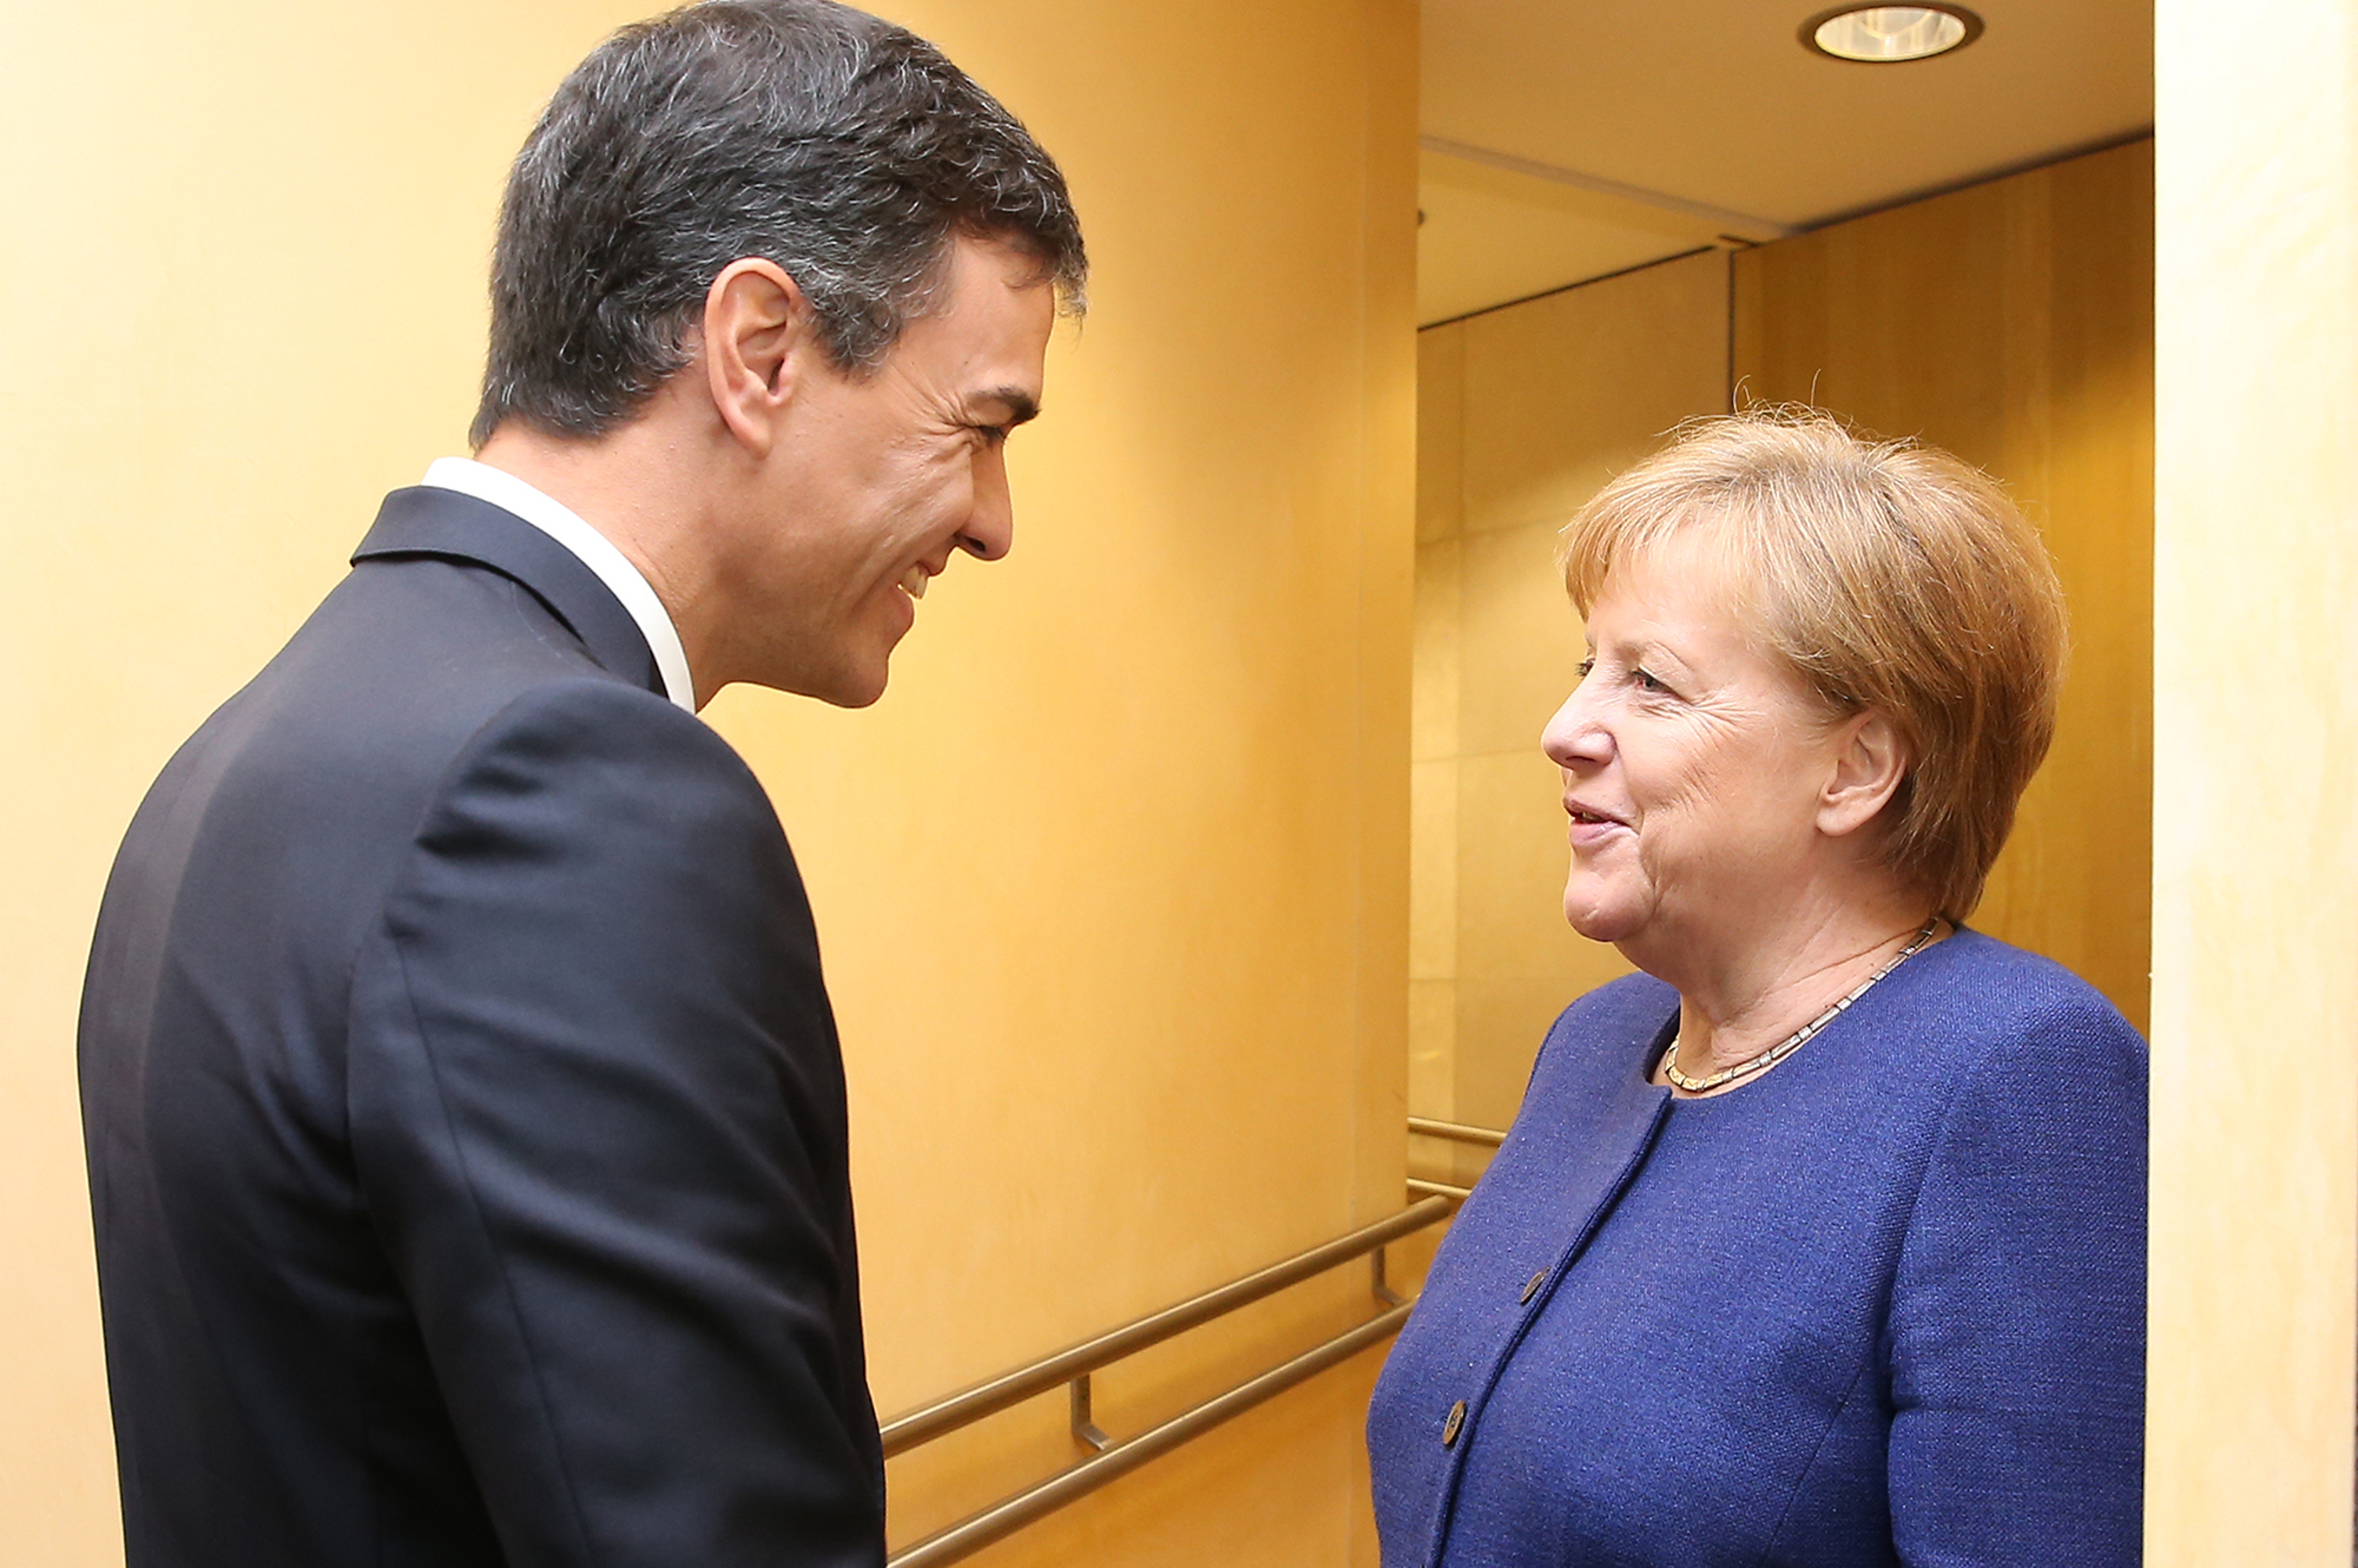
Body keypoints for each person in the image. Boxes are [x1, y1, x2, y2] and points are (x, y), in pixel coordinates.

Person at [76, 4, 1085, 1565]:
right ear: (760, 352)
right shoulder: (569, 796)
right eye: (980, 428)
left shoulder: (246, 755)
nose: (994, 522)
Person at [1367, 412, 2145, 1566]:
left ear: (1856, 768)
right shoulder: (1598, 1040)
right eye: (1587, 668)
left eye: (1651, 683)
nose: (1564, 728)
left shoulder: (2022, 1079)